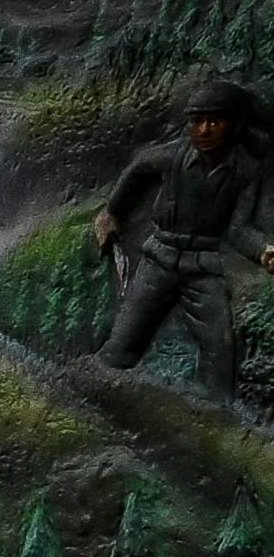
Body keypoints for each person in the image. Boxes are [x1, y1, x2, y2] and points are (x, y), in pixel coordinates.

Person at [95, 81, 271, 388]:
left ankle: (215, 413)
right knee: (125, 338)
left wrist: (263, 250)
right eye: (197, 122)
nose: (204, 131)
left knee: (220, 350)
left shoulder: (245, 170)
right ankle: (99, 386)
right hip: (159, 259)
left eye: (214, 122)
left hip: (203, 271)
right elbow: (139, 166)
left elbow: (238, 228)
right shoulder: (174, 156)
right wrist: (112, 212)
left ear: (234, 126)